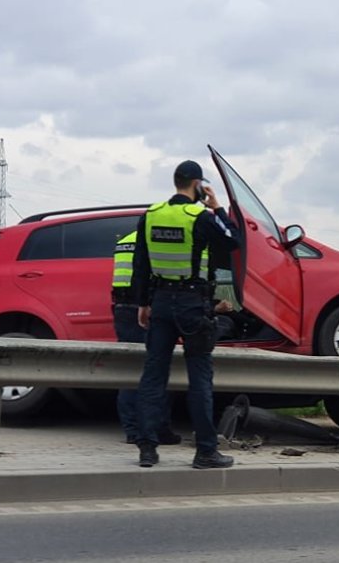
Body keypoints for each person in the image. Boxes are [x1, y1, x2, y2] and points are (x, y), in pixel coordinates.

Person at [131, 159, 240, 469]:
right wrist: (217, 207)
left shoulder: (151, 215)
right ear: (197, 185)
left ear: (175, 182)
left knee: (153, 376)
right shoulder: (200, 216)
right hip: (192, 303)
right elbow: (233, 240)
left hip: (161, 302)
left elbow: (141, 263)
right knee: (200, 378)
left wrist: (143, 303)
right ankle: (206, 451)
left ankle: (147, 450)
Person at [110, 231, 181, 446]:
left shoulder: (124, 241)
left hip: (122, 307)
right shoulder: (155, 239)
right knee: (155, 370)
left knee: (130, 370)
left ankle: (132, 429)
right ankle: (156, 429)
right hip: (146, 308)